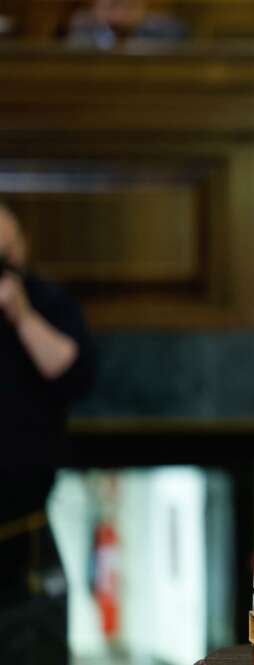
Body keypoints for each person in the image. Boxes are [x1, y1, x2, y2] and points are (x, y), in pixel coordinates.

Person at [0, 204, 96, 663]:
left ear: (21, 246)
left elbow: (73, 374)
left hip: (26, 529)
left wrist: (20, 316)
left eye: (6, 247)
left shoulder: (47, 301)